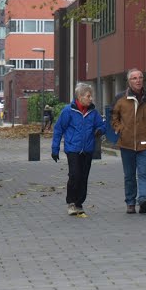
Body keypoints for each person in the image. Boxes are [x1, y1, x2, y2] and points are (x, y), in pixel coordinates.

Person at [110, 68, 146, 214]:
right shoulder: (120, 99)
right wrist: (119, 128)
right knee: (129, 176)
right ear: (129, 81)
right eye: (134, 78)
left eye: (140, 77)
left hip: (145, 144)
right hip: (126, 144)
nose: (138, 80)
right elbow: (114, 117)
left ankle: (143, 200)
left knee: (143, 173)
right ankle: (130, 202)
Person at [51, 82, 107, 216]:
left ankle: (79, 203)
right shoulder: (68, 111)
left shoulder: (93, 112)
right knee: (74, 175)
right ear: (80, 97)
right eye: (88, 96)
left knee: (83, 177)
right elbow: (59, 129)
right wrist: (55, 148)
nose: (91, 98)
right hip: (73, 149)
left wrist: (100, 130)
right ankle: (71, 202)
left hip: (87, 149)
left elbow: (102, 125)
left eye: (91, 96)